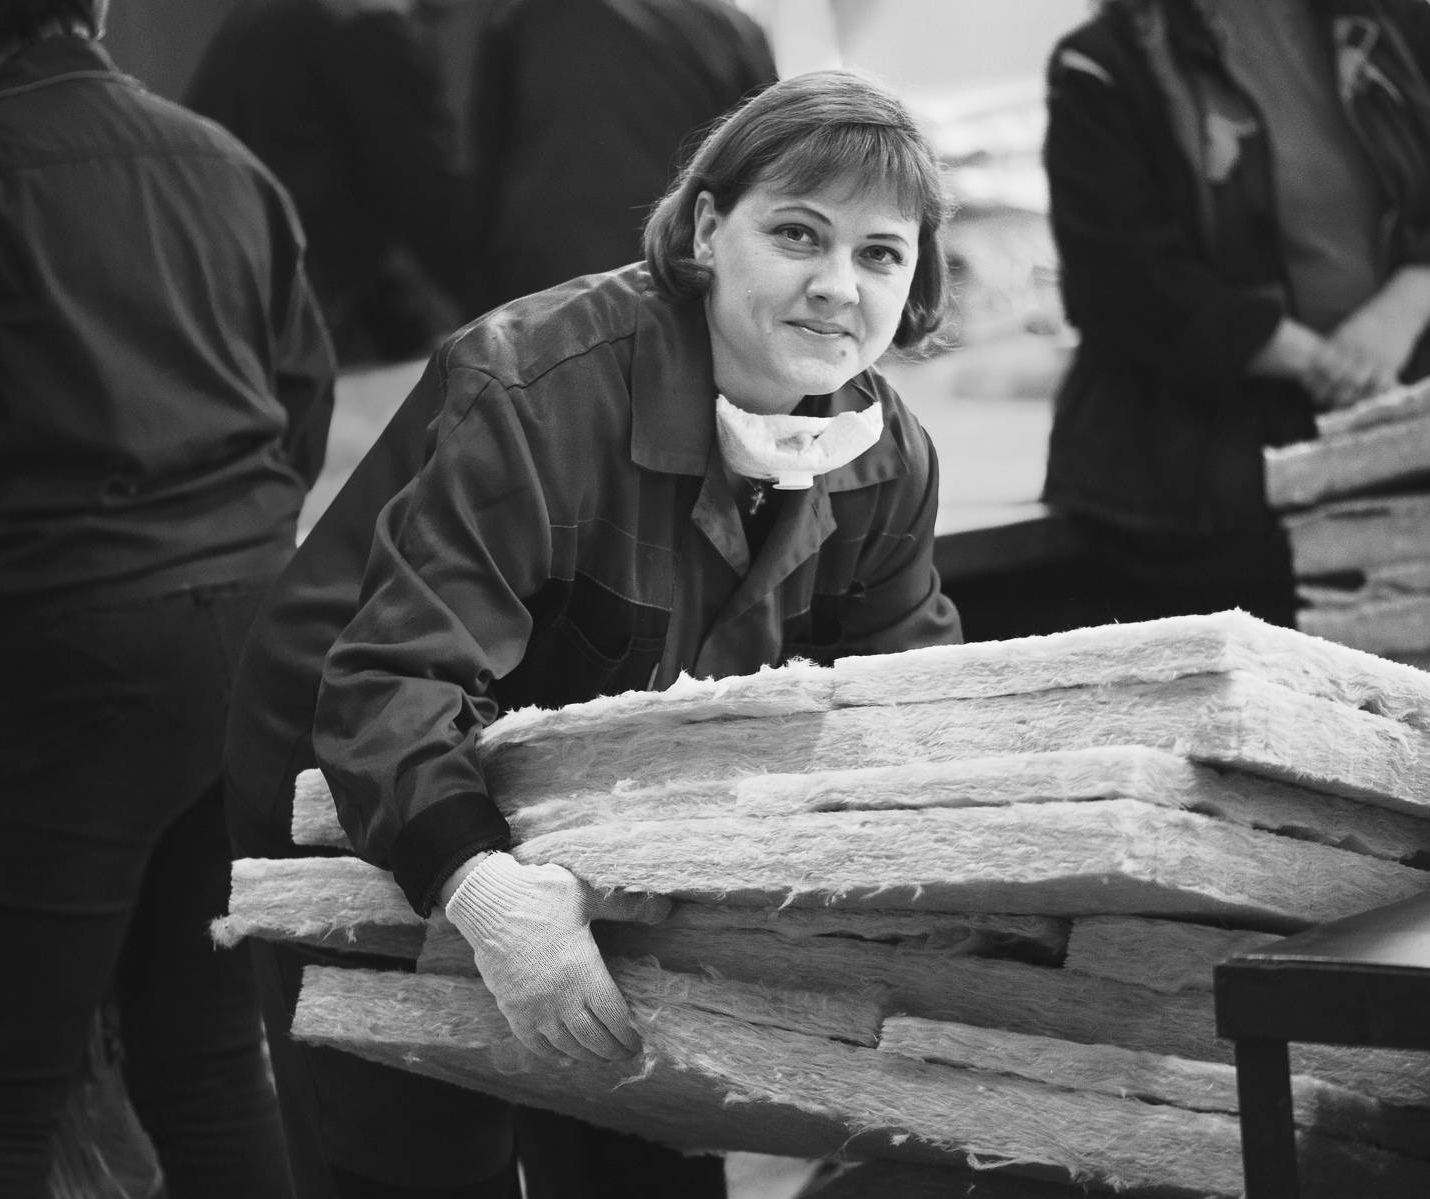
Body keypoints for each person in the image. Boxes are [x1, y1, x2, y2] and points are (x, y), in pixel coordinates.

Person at [229, 67, 959, 1197]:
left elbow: (908, 714)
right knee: (420, 1159)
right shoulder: (535, 385)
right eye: (798, 233)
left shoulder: (888, 459)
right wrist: (479, 884)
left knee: (642, 1152)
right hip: (368, 770)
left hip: (607, 814)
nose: (835, 286)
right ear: (708, 230)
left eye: (879, 254)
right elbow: (392, 679)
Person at [0, 0, 335, 1195]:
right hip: (250, 632)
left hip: (70, 643)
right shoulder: (218, 158)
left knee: (3, 1092)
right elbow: (300, 397)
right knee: (209, 1058)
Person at [1041, 0, 1430, 628]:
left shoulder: (1396, 21)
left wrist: (1395, 319)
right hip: (1201, 500)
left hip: (1426, 456)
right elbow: (1121, 274)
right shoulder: (1102, 63)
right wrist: (1327, 363)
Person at [187, 0, 477, 365]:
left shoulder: (263, 18)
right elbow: (434, 213)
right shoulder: (368, 27)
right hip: (307, 332)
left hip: (219, 319)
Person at [469, 0, 777, 311]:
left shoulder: (528, 16)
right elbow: (764, 168)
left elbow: (484, 162)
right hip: (672, 271)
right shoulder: (732, 28)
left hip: (545, 280)